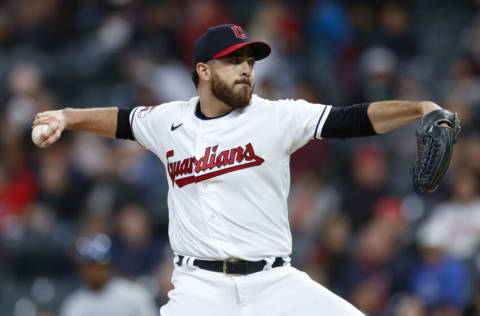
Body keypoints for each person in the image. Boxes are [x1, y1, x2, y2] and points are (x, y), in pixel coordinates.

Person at [34, 24, 451, 316]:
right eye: (233, 61)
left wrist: (418, 109)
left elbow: (351, 119)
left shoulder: (276, 116)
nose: (246, 69)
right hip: (200, 290)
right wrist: (67, 116)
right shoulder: (168, 121)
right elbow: (121, 120)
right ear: (203, 71)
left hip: (275, 284)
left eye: (249, 61)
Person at [60, 234, 158, 316]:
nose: (95, 272)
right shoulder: (74, 304)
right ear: (81, 269)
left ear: (110, 266)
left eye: (99, 266)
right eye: (90, 266)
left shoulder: (134, 296)